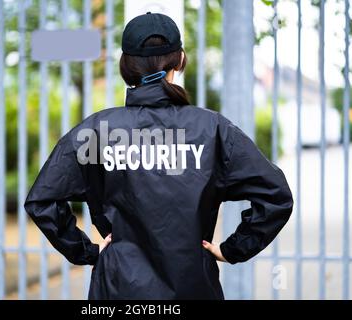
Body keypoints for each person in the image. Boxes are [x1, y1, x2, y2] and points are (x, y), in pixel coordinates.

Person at [24, 12, 293, 300]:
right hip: (193, 286)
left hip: (118, 288)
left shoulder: (97, 131)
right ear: (179, 61)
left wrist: (86, 250)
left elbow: (43, 199)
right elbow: (275, 195)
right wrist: (233, 249)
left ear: (126, 67)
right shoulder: (213, 130)